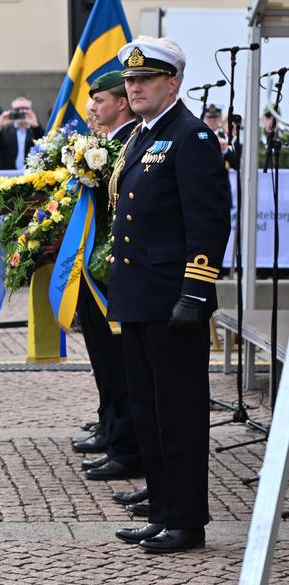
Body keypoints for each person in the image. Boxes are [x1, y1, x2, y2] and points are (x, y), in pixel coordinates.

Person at [108, 37, 230, 553]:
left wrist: (195, 293)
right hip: (140, 297)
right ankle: (161, 509)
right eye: (130, 81)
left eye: (145, 79)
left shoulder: (191, 136)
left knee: (178, 415)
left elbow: (209, 222)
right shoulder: (144, 135)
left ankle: (186, 520)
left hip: (172, 300)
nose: (134, 88)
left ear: (172, 82)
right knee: (148, 411)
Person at [69, 71, 143, 492]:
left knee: (119, 364)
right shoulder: (109, 144)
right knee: (106, 361)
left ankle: (124, 445)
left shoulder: (127, 143)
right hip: (96, 267)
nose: (92, 107)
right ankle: (113, 431)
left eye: (100, 100)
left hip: (113, 269)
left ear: (121, 104)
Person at [0, 97, 44, 170]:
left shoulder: (35, 129)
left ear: (31, 111)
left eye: (25, 109)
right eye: (18, 109)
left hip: (31, 174)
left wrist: (36, 126)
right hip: (8, 174)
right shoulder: (5, 130)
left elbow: (44, 146)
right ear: (12, 111)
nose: (22, 111)